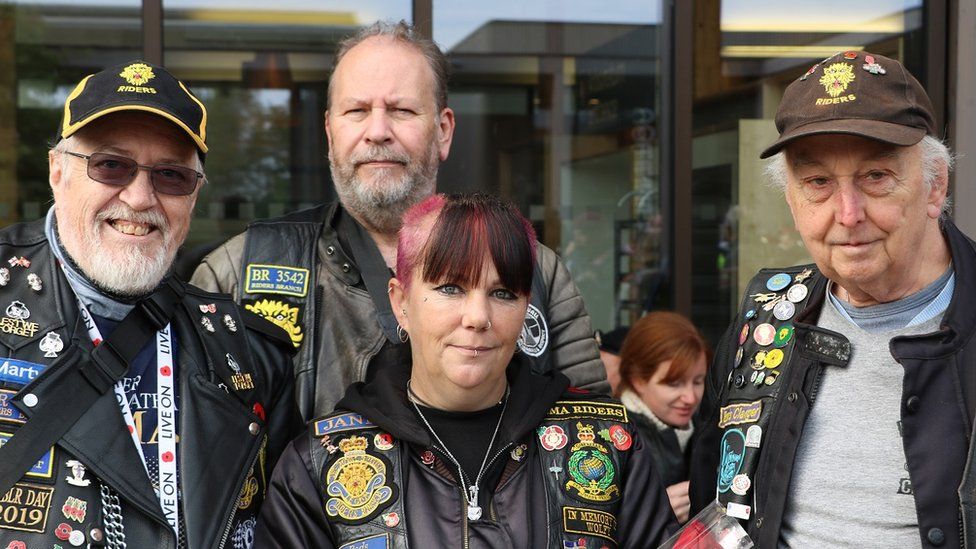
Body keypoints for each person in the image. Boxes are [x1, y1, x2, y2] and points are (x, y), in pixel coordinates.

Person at [190, 21, 608, 422]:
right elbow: (193, 445)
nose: (377, 131)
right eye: (356, 110)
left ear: (443, 131)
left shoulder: (533, 268)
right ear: (330, 133)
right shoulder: (239, 271)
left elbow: (598, 443)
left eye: (402, 110)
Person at [254, 193, 677, 548]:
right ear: (401, 302)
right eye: (450, 288)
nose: (477, 316)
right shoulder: (318, 464)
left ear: (527, 306)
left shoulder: (610, 444)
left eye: (503, 293)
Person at [0, 61, 298, 547]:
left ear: (194, 196)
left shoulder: (252, 354)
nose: (140, 198)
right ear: (58, 171)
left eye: (171, 176)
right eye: (111, 165)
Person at [688, 51, 976, 548]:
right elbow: (713, 505)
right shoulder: (765, 318)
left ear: (936, 186)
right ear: (792, 203)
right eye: (818, 183)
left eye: (876, 176)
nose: (847, 214)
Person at [617, 311, 708, 524]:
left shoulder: (707, 427)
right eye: (674, 383)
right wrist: (652, 513)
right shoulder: (612, 437)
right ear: (637, 380)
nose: (690, 397)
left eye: (698, 381)